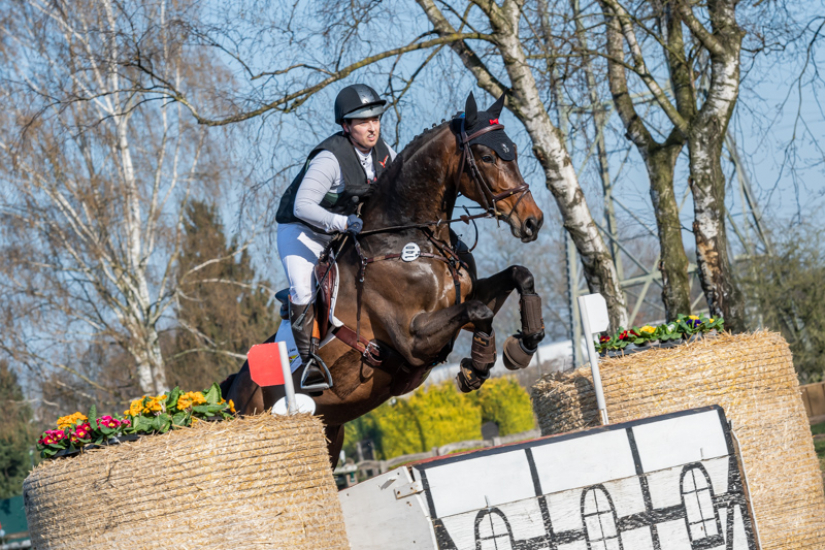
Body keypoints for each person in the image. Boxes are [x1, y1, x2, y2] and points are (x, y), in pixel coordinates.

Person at [275, 84, 397, 391]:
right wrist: (342, 222)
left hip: (341, 232)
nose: (372, 127)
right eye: (363, 121)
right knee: (303, 290)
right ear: (346, 126)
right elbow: (303, 206)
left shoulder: (386, 154)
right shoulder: (329, 159)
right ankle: (308, 364)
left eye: (376, 119)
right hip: (301, 232)